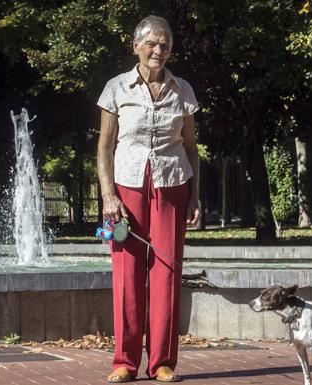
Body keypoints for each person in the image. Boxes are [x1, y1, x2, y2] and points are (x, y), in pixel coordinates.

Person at [97, 15, 201, 383]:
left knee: (167, 273)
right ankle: (124, 361)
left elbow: (191, 147)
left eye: (166, 44)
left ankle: (162, 362)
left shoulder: (182, 89)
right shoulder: (116, 88)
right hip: (126, 187)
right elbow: (105, 147)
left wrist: (195, 196)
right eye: (152, 43)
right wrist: (108, 196)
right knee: (127, 273)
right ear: (136, 46)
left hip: (172, 186)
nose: (159, 50)